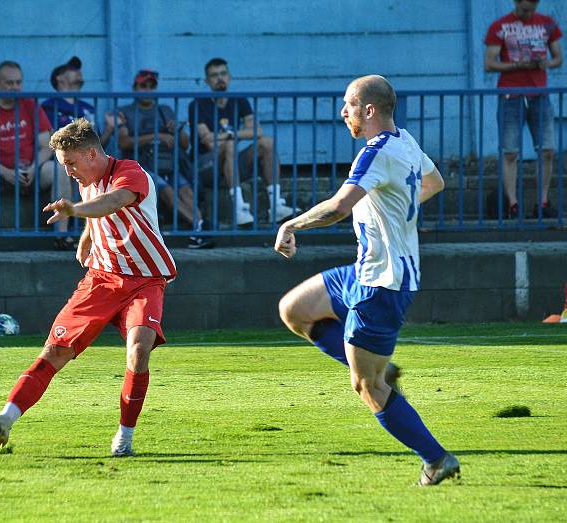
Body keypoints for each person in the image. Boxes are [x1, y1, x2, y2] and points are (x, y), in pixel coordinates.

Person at [274, 75, 458, 486]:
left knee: (366, 385)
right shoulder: (406, 142)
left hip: (384, 283)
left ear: (369, 110)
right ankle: (383, 368)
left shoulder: (375, 152)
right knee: (295, 310)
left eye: (349, 105)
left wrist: (292, 224)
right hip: (364, 271)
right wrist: (393, 208)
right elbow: (435, 183)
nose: (343, 112)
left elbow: (339, 207)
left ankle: (436, 459)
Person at [0, 118, 176, 457]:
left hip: (146, 280)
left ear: (92, 154)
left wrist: (76, 212)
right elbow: (102, 212)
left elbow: (114, 202)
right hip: (101, 279)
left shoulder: (131, 172)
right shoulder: (87, 181)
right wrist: (86, 236)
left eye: (71, 164)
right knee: (55, 351)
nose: (68, 172)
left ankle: (124, 437)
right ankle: (6, 418)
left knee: (138, 352)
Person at [0, 60, 76, 249]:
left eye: (18, 82)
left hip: (30, 172)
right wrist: (4, 171)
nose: (15, 88)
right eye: (9, 83)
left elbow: (47, 144)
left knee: (58, 170)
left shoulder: (29, 104)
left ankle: (62, 235)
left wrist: (33, 167)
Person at [188, 57, 293, 226]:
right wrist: (234, 136)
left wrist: (228, 135)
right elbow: (208, 142)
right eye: (214, 75)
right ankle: (239, 209)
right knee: (228, 145)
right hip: (205, 168)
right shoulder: (198, 105)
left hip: (231, 163)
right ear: (207, 81)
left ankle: (276, 206)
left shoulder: (240, 101)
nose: (220, 78)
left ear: (229, 77)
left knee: (266, 143)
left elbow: (257, 131)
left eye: (223, 73)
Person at [484, 0, 563, 219]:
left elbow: (558, 58)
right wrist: (517, 65)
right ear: (516, 2)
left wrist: (544, 63)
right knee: (510, 151)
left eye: (532, 8)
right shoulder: (500, 26)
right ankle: (512, 203)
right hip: (511, 95)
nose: (528, 12)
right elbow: (489, 63)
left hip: (539, 94)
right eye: (523, 8)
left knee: (547, 150)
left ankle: (543, 202)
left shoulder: (547, 24)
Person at [118, 69, 213, 249]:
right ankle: (200, 227)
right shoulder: (124, 111)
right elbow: (124, 143)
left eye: (151, 86)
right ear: (134, 88)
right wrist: (158, 136)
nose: (147, 90)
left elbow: (185, 144)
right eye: (143, 86)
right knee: (167, 191)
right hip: (141, 167)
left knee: (187, 192)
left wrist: (177, 130)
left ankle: (199, 233)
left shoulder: (166, 110)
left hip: (168, 164)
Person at [42, 56, 117, 147]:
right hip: (62, 160)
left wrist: (109, 128)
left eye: (79, 69)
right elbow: (49, 143)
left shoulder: (89, 109)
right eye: (72, 68)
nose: (78, 71)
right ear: (59, 78)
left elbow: (98, 146)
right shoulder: (48, 107)